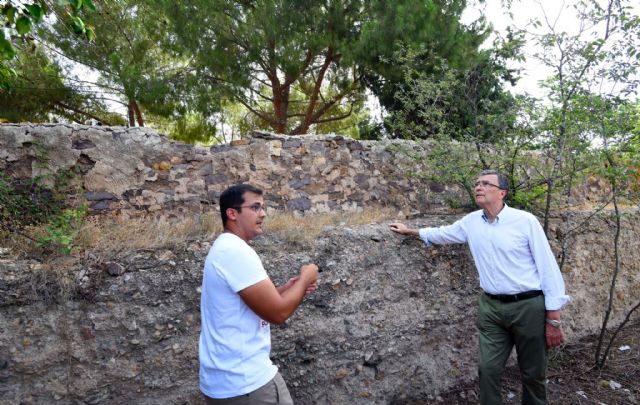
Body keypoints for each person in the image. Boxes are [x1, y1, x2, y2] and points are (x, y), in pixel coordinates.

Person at [389, 170, 569, 405]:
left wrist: (553, 318)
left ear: (502, 192)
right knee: (488, 369)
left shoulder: (525, 221)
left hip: (528, 307)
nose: (478, 187)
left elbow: (547, 267)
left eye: (486, 184)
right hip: (491, 308)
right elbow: (444, 233)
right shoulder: (472, 221)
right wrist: (411, 231)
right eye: (476, 183)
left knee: (533, 374)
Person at [199, 183, 319, 404]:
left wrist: (286, 289)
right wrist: (305, 278)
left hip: (229, 382)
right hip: (248, 383)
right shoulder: (235, 251)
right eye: (255, 207)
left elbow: (251, 305)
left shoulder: (226, 247)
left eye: (263, 207)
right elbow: (278, 314)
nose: (263, 214)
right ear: (232, 213)